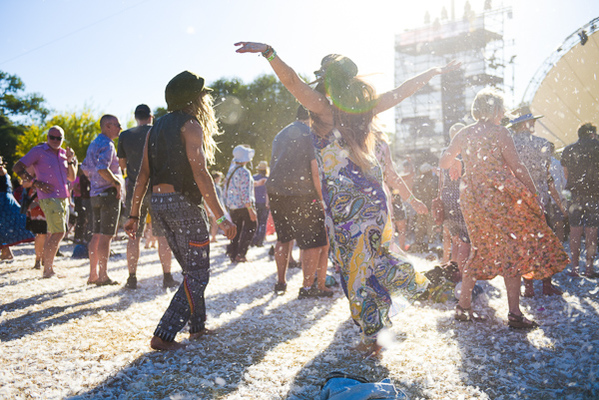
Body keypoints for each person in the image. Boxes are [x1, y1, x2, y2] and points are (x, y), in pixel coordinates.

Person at [235, 43, 447, 352]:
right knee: (375, 260)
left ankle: (377, 331)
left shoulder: (324, 109)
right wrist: (430, 72)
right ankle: (414, 290)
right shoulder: (363, 109)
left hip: (346, 206)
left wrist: (269, 53)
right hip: (374, 201)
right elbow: (402, 91)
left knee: (354, 270)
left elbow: (292, 82)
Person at [124, 70, 236, 351]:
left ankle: (197, 327)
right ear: (194, 98)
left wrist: (134, 214)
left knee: (190, 270)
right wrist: (221, 217)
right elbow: (201, 174)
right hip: (182, 202)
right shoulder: (190, 125)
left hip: (158, 203)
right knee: (198, 275)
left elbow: (142, 176)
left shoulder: (155, 129)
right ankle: (163, 334)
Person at [439, 88, 569, 329]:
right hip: (500, 195)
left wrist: (457, 160)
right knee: (512, 249)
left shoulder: (464, 134)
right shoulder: (500, 132)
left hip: (473, 196)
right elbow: (517, 166)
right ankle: (514, 314)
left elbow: (444, 161)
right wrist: (532, 193)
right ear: (496, 109)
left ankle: (463, 306)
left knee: (479, 247)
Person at [267, 106, 331, 298]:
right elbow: (314, 168)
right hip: (302, 193)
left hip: (277, 191)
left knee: (283, 238)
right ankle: (307, 287)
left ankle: (280, 282)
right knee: (311, 242)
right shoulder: (310, 134)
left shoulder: (280, 134)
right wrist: (321, 199)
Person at [508, 106, 567, 296]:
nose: (534, 124)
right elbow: (547, 174)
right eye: (532, 121)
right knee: (544, 243)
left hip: (517, 201)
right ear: (526, 123)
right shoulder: (543, 144)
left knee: (523, 244)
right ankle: (547, 285)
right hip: (540, 200)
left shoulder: (509, 144)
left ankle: (529, 286)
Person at [118, 104, 177, 289]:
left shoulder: (125, 135)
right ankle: (167, 277)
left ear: (136, 117)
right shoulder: (159, 132)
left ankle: (132, 277)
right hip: (158, 189)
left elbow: (122, 165)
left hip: (136, 189)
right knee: (162, 236)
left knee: (133, 235)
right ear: (151, 117)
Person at [13, 126, 77, 277]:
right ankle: (47, 270)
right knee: (58, 232)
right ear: (47, 136)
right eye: (51, 137)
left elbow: (72, 178)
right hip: (48, 197)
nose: (55, 140)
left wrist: (71, 160)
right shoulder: (38, 151)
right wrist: (35, 183)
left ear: (63, 138)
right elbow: (17, 167)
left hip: (64, 198)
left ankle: (48, 267)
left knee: (55, 233)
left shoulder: (64, 154)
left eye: (58, 138)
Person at [81, 115, 123, 285]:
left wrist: (96, 181)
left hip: (95, 195)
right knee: (106, 237)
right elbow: (102, 168)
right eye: (117, 125)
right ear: (107, 126)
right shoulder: (108, 144)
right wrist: (116, 183)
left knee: (96, 236)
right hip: (108, 195)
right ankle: (103, 276)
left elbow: (84, 169)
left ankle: (93, 275)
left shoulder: (94, 143)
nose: (120, 128)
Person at [560, 122, 599, 278]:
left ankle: (574, 268)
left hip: (574, 194)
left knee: (574, 231)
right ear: (592, 134)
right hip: (595, 195)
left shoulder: (569, 149)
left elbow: (566, 175)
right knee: (591, 232)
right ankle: (589, 268)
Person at [440, 123, 470, 272]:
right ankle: (461, 274)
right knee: (465, 240)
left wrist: (439, 197)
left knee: (454, 238)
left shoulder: (445, 154)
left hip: (447, 199)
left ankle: (452, 269)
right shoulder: (466, 154)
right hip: (461, 199)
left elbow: (441, 180)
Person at [224, 144, 257, 263]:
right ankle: (241, 253)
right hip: (243, 206)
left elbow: (228, 189)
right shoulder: (244, 172)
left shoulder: (231, 170)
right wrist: (250, 209)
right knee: (251, 227)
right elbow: (245, 192)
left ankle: (233, 253)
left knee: (235, 230)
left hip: (233, 206)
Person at [1, 156, 34, 260]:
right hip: (4, 200)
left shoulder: (1, 170)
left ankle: (6, 253)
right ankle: (6, 252)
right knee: (3, 227)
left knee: (4, 226)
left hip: (3, 201)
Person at [251, 160, 270, 248]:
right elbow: (267, 193)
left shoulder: (253, 178)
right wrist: (267, 203)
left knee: (255, 222)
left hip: (255, 202)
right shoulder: (267, 179)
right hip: (263, 202)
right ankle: (260, 241)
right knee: (263, 222)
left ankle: (253, 239)